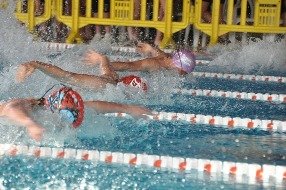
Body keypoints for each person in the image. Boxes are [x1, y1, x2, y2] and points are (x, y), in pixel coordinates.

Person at [0, 86, 153, 142]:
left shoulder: (45, 105)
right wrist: (30, 124)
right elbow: (11, 108)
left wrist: (126, 108)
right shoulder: (22, 107)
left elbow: (91, 106)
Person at [16, 51, 148, 91]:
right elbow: (67, 76)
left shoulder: (112, 76)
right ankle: (33, 64)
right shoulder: (105, 85)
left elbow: (106, 63)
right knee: (69, 77)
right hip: (94, 85)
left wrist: (100, 57)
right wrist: (36, 64)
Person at [109, 42, 196, 75]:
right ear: (180, 67)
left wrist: (151, 49)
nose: (182, 76)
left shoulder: (167, 59)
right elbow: (128, 65)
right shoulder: (153, 64)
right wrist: (105, 65)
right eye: (184, 73)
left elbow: (162, 54)